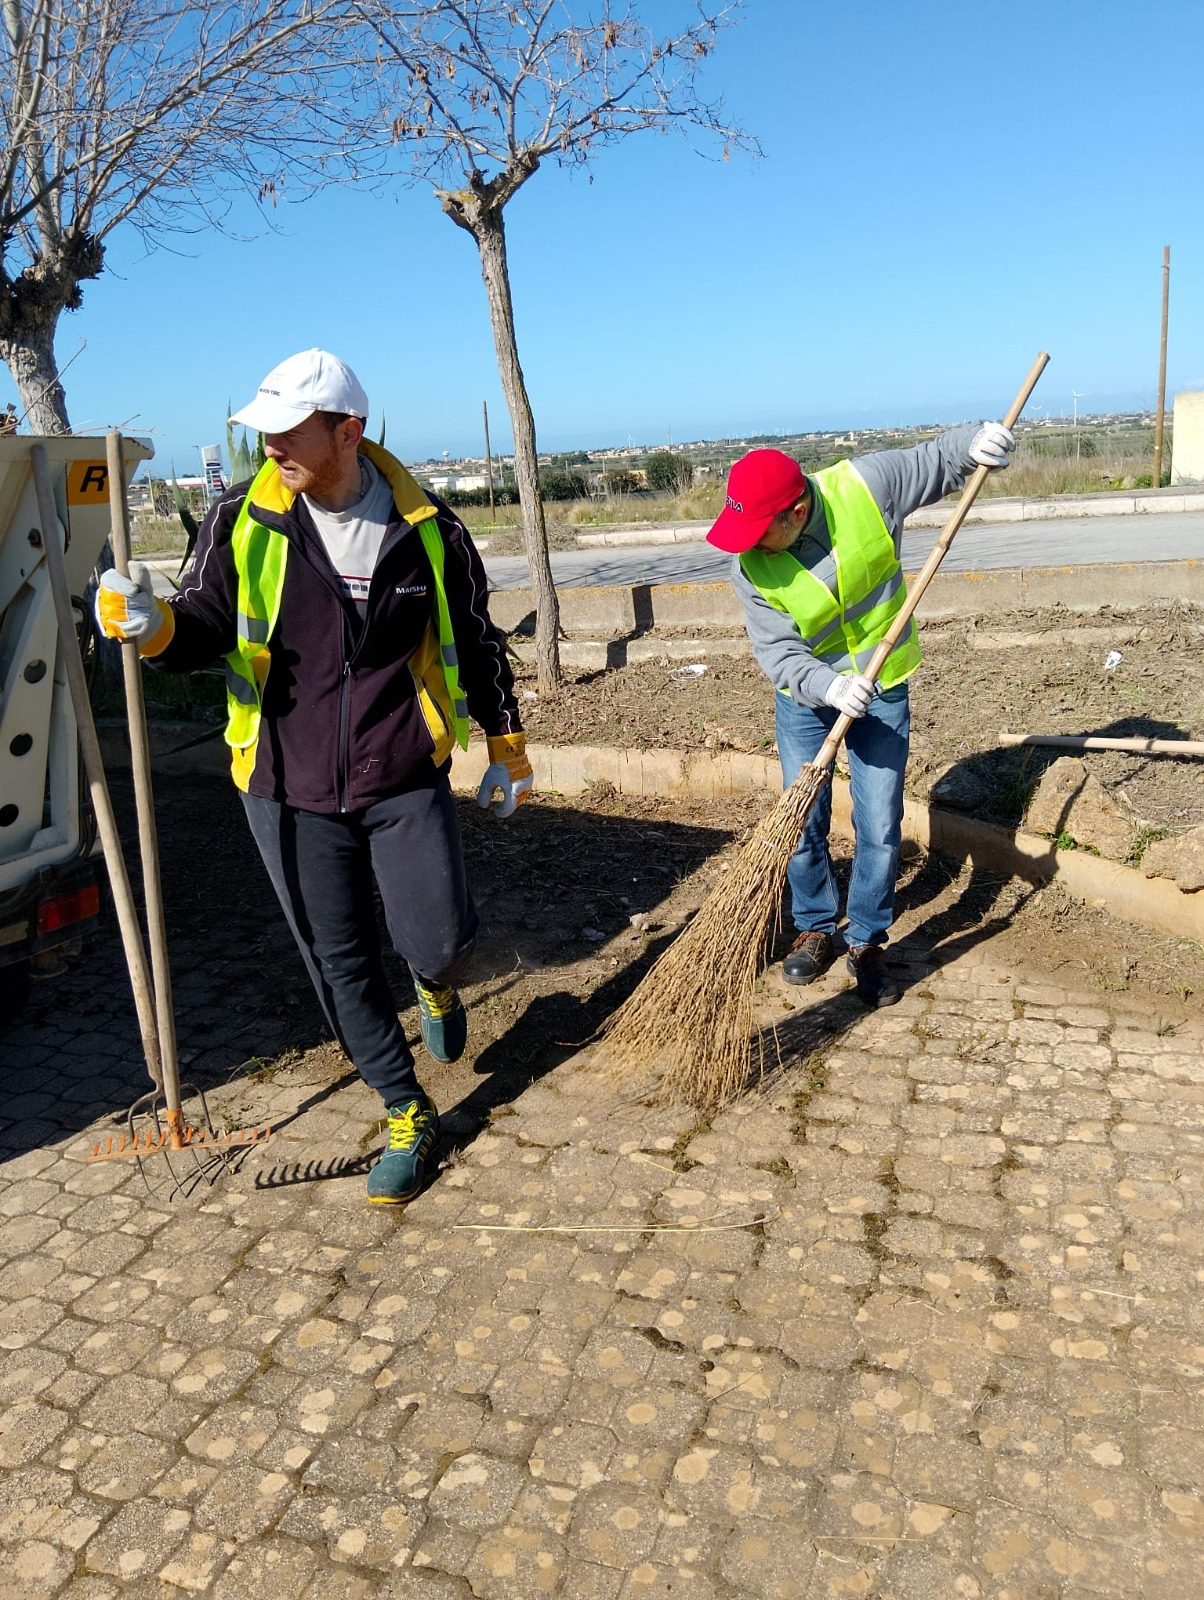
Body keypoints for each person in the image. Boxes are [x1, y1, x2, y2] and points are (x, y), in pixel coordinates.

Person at [95, 349, 532, 1202]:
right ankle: (406, 1108)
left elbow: (477, 641)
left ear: (349, 432)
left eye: (288, 434)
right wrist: (152, 630)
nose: (270, 452)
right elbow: (205, 624)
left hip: (402, 769)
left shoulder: (430, 529)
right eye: (261, 436)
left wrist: (507, 745)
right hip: (282, 783)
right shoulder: (242, 517)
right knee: (335, 962)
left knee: (436, 938)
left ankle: (433, 981)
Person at [706, 420, 1015, 1006]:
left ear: (795, 512)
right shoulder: (748, 566)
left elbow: (936, 460)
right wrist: (827, 685)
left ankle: (869, 941)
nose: (745, 542)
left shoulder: (864, 486)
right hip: (808, 694)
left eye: (756, 528)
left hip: (884, 683)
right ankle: (816, 928)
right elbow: (778, 652)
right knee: (801, 820)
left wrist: (977, 444)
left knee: (878, 822)